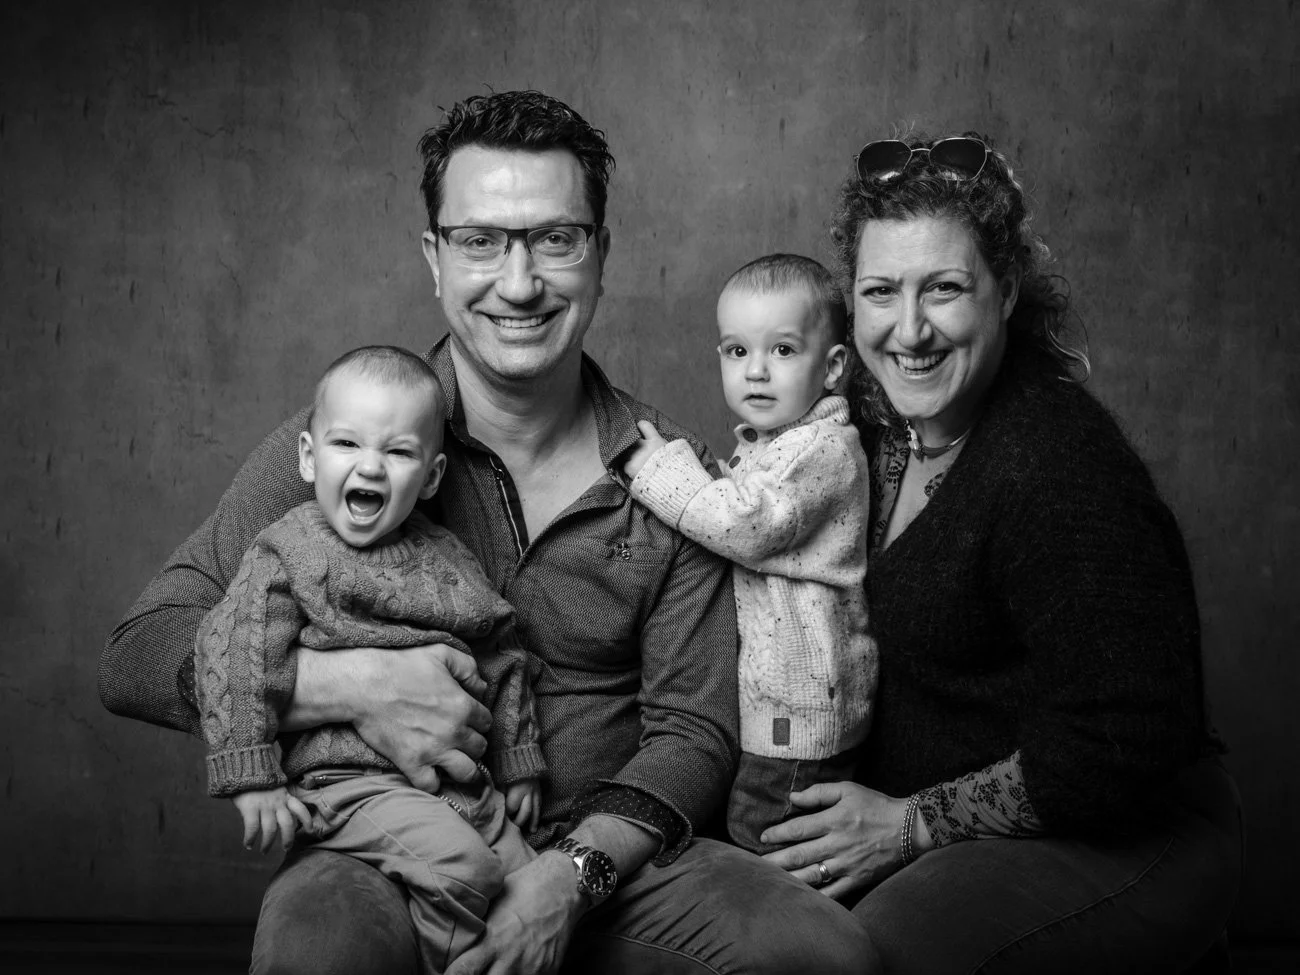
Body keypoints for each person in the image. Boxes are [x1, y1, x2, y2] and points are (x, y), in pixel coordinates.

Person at [99, 90, 878, 975]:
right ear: (433, 258)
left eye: (555, 238)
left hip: (615, 866)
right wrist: (341, 684)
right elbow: (134, 654)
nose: (519, 283)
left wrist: (568, 877)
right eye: (480, 241)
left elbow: (693, 734)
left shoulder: (674, 478)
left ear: (600, 254)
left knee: (820, 952)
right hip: (384, 849)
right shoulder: (351, 442)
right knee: (318, 947)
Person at [760, 134, 1243, 972]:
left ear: (1006, 291)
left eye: (944, 289)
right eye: (881, 291)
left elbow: (1124, 739)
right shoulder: (875, 434)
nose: (909, 330)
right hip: (941, 817)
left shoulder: (1057, 464)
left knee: (880, 952)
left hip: (1129, 829)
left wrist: (908, 824)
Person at [196, 345, 544, 974]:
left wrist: (518, 758)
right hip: (350, 786)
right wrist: (251, 774)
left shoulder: (448, 556)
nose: (371, 468)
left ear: (432, 477)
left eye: (398, 451)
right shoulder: (291, 549)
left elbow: (500, 652)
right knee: (466, 871)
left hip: (462, 786)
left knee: (528, 883)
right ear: (308, 456)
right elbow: (235, 649)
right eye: (347, 445)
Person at [623, 253, 876, 855]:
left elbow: (746, 523)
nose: (756, 371)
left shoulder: (822, 451)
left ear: (834, 365)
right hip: (781, 698)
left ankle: (790, 938)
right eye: (737, 351)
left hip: (801, 710)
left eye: (783, 351)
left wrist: (660, 470)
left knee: (764, 837)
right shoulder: (778, 445)